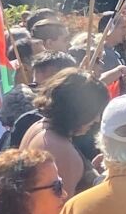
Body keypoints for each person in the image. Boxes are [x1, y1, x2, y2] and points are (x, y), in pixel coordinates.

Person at [20, 69, 110, 199]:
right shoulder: (61, 150)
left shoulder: (38, 127)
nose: (97, 119)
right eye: (95, 112)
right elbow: (61, 213)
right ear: (79, 110)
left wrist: (91, 173)